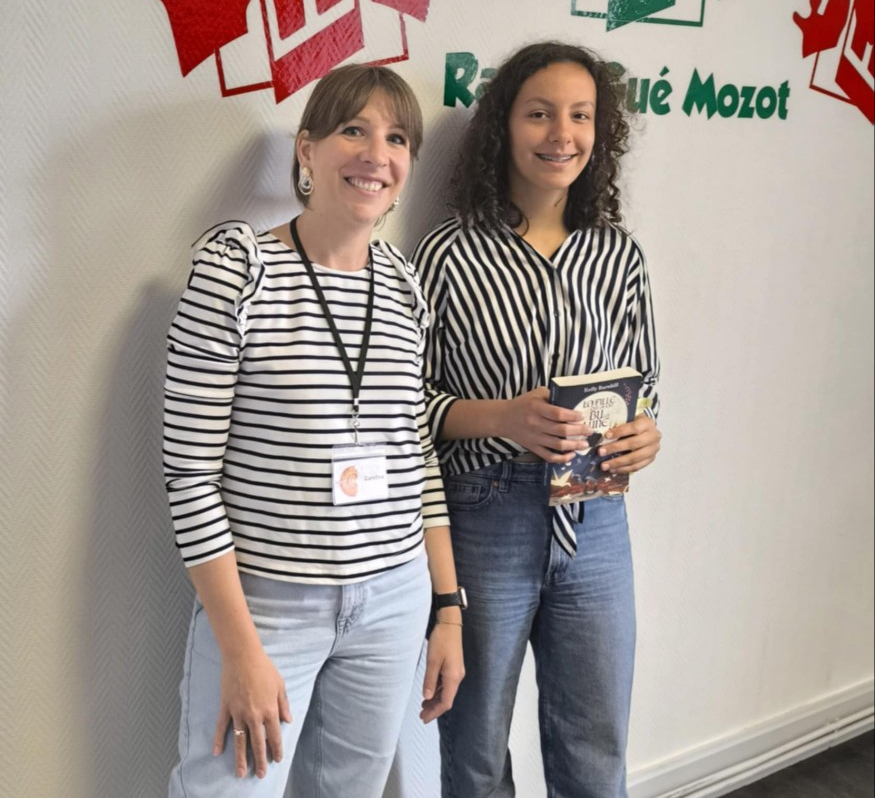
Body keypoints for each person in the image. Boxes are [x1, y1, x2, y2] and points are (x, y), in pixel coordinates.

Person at [164, 64, 465, 797]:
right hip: (268, 606)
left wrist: (447, 608)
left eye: (397, 138)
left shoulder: (406, 286)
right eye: (353, 130)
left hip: (393, 597)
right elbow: (190, 475)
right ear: (307, 149)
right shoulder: (238, 272)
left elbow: (417, 454)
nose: (376, 155)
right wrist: (240, 649)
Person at [412, 41, 661, 798]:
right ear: (504, 125)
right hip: (484, 515)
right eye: (540, 114)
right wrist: (502, 417)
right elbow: (407, 409)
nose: (562, 134)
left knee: (596, 740)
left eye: (581, 116)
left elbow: (646, 385)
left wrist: (644, 434)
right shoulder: (448, 254)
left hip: (597, 518)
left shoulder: (618, 255)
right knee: (475, 746)